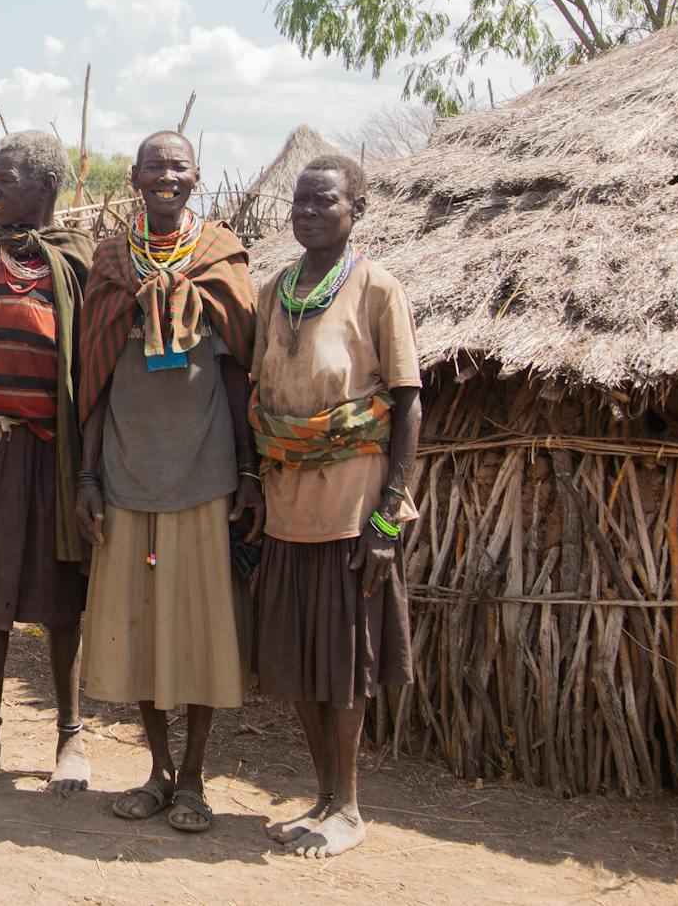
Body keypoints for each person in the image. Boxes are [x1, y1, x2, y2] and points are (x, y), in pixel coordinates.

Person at [74, 130, 260, 835]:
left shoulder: (220, 257)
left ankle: (194, 779)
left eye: (178, 167)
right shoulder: (111, 262)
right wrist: (88, 475)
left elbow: (240, 369)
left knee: (202, 629)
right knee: (141, 627)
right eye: (154, 167)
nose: (166, 177)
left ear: (197, 176)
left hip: (204, 470)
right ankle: (156, 770)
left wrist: (248, 469)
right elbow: (92, 379)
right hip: (127, 470)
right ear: (134, 178)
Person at [250, 153, 420, 859]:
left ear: (357, 209)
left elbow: (407, 403)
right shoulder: (274, 292)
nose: (308, 212)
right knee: (297, 660)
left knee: (345, 662)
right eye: (300, 201)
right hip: (287, 503)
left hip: (353, 504)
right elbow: (257, 394)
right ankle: (322, 796)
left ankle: (349, 806)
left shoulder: (379, 289)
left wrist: (389, 515)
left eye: (324, 201)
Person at [0, 131, 96, 796]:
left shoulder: (81, 261)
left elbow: (92, 364)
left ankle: (70, 735)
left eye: (5, 180)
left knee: (60, 602)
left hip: (52, 455)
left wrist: (90, 467)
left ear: (46, 187)